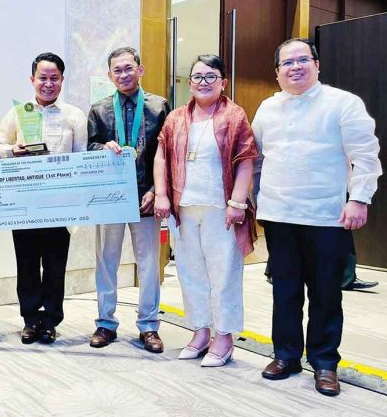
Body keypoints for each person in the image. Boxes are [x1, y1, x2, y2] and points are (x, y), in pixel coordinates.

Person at [252, 38, 381, 396]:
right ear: (277, 72)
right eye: (286, 63)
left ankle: (324, 363)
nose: (295, 67)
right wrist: (257, 199)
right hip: (279, 215)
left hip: (326, 216)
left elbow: (366, 157)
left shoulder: (343, 103)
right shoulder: (267, 108)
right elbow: (259, 157)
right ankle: (286, 355)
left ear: (317, 64)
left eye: (302, 60)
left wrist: (358, 200)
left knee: (325, 293)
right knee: (285, 290)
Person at [153, 55, 257, 367]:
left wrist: (237, 202)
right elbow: (161, 156)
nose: (203, 82)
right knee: (190, 272)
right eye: (197, 76)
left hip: (220, 209)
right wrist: (161, 195)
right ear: (190, 82)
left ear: (223, 82)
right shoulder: (175, 118)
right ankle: (200, 330)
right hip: (183, 209)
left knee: (223, 273)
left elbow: (247, 160)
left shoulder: (235, 116)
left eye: (211, 76)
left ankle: (224, 336)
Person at [0, 52, 87, 344]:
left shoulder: (74, 115)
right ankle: (30, 319)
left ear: (62, 80)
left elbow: (82, 157)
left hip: (60, 203)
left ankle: (51, 320)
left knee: (56, 265)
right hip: (24, 202)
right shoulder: (19, 113)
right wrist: (13, 150)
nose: (48, 84)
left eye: (54, 78)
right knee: (27, 263)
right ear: (32, 80)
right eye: (42, 78)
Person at [87, 46, 170, 353]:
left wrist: (156, 191)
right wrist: (102, 149)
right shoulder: (98, 109)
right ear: (110, 75)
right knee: (106, 261)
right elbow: (89, 148)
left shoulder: (159, 106)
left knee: (148, 264)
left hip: (146, 196)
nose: (123, 74)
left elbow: (167, 153)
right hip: (110, 197)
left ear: (140, 69)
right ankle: (105, 324)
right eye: (116, 70)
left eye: (128, 68)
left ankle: (149, 326)